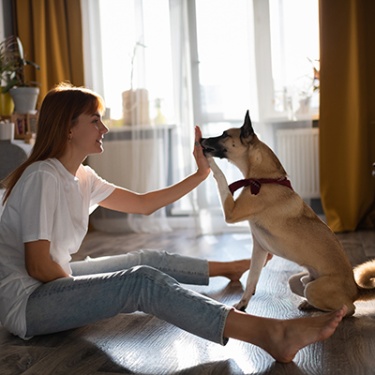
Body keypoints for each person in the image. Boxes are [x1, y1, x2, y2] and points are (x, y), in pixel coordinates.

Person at [0, 83, 346, 364]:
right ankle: (270, 334)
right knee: (141, 282)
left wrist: (202, 173)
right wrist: (87, 292)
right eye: (95, 120)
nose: (104, 128)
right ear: (68, 127)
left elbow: (144, 204)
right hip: (28, 303)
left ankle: (227, 268)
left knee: (143, 259)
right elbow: (38, 264)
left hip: (53, 283)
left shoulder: (82, 177)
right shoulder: (41, 177)